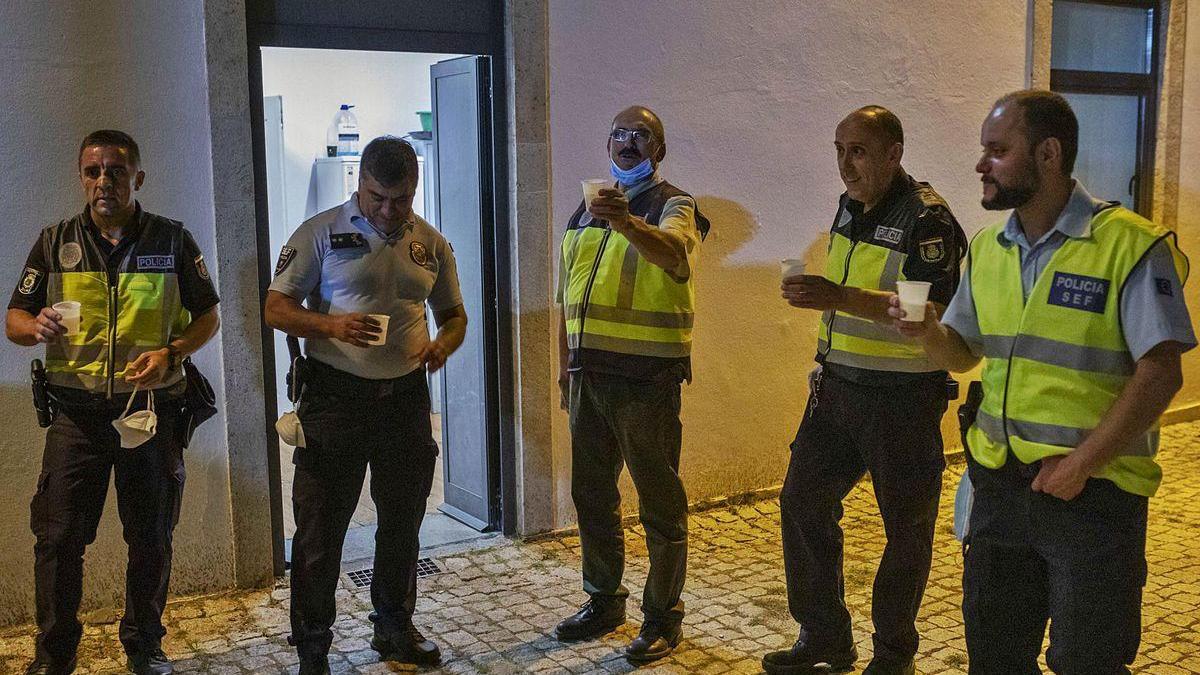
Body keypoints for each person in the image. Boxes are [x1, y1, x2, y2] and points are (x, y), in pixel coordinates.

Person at [890, 90, 1194, 674]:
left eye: (997, 150)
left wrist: (1079, 465)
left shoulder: (1130, 247)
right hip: (1002, 491)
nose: (981, 164)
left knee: (1088, 661)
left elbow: (1160, 374)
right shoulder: (989, 248)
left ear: (1048, 154)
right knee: (996, 658)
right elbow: (963, 353)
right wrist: (928, 330)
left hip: (1093, 496)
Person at [7, 130, 221, 675]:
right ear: (82, 177)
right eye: (93, 172)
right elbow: (14, 319)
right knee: (57, 540)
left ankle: (145, 647)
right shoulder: (54, 241)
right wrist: (36, 326)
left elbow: (208, 317)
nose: (104, 182)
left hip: (148, 411)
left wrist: (171, 352)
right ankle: (55, 656)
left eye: (116, 171)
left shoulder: (172, 240)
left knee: (150, 536)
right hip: (75, 417)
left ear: (137, 179)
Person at [763, 106, 966, 675]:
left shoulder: (928, 219)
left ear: (893, 153)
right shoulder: (849, 207)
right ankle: (825, 634)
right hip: (837, 391)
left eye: (857, 151)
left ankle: (894, 653)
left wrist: (836, 296)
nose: (844, 164)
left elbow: (930, 309)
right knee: (802, 503)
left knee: (905, 531)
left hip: (902, 399)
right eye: (838, 149)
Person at [264, 136, 467, 675]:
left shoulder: (430, 243)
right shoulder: (320, 234)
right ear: (360, 183)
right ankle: (313, 648)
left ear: (414, 189)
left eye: (401, 199)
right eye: (378, 197)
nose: (388, 210)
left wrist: (443, 344)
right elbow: (275, 307)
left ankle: (394, 628)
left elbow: (454, 315)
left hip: (403, 400)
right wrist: (330, 325)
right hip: (334, 400)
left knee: (402, 522)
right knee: (319, 533)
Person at [554, 105, 709, 663]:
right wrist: (564, 364)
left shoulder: (675, 204)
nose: (626, 141)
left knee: (659, 502)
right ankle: (603, 600)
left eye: (640, 134)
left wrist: (624, 220)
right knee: (591, 495)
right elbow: (565, 295)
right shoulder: (583, 210)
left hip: (646, 380)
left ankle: (664, 618)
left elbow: (673, 257)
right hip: (588, 377)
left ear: (658, 150)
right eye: (617, 132)